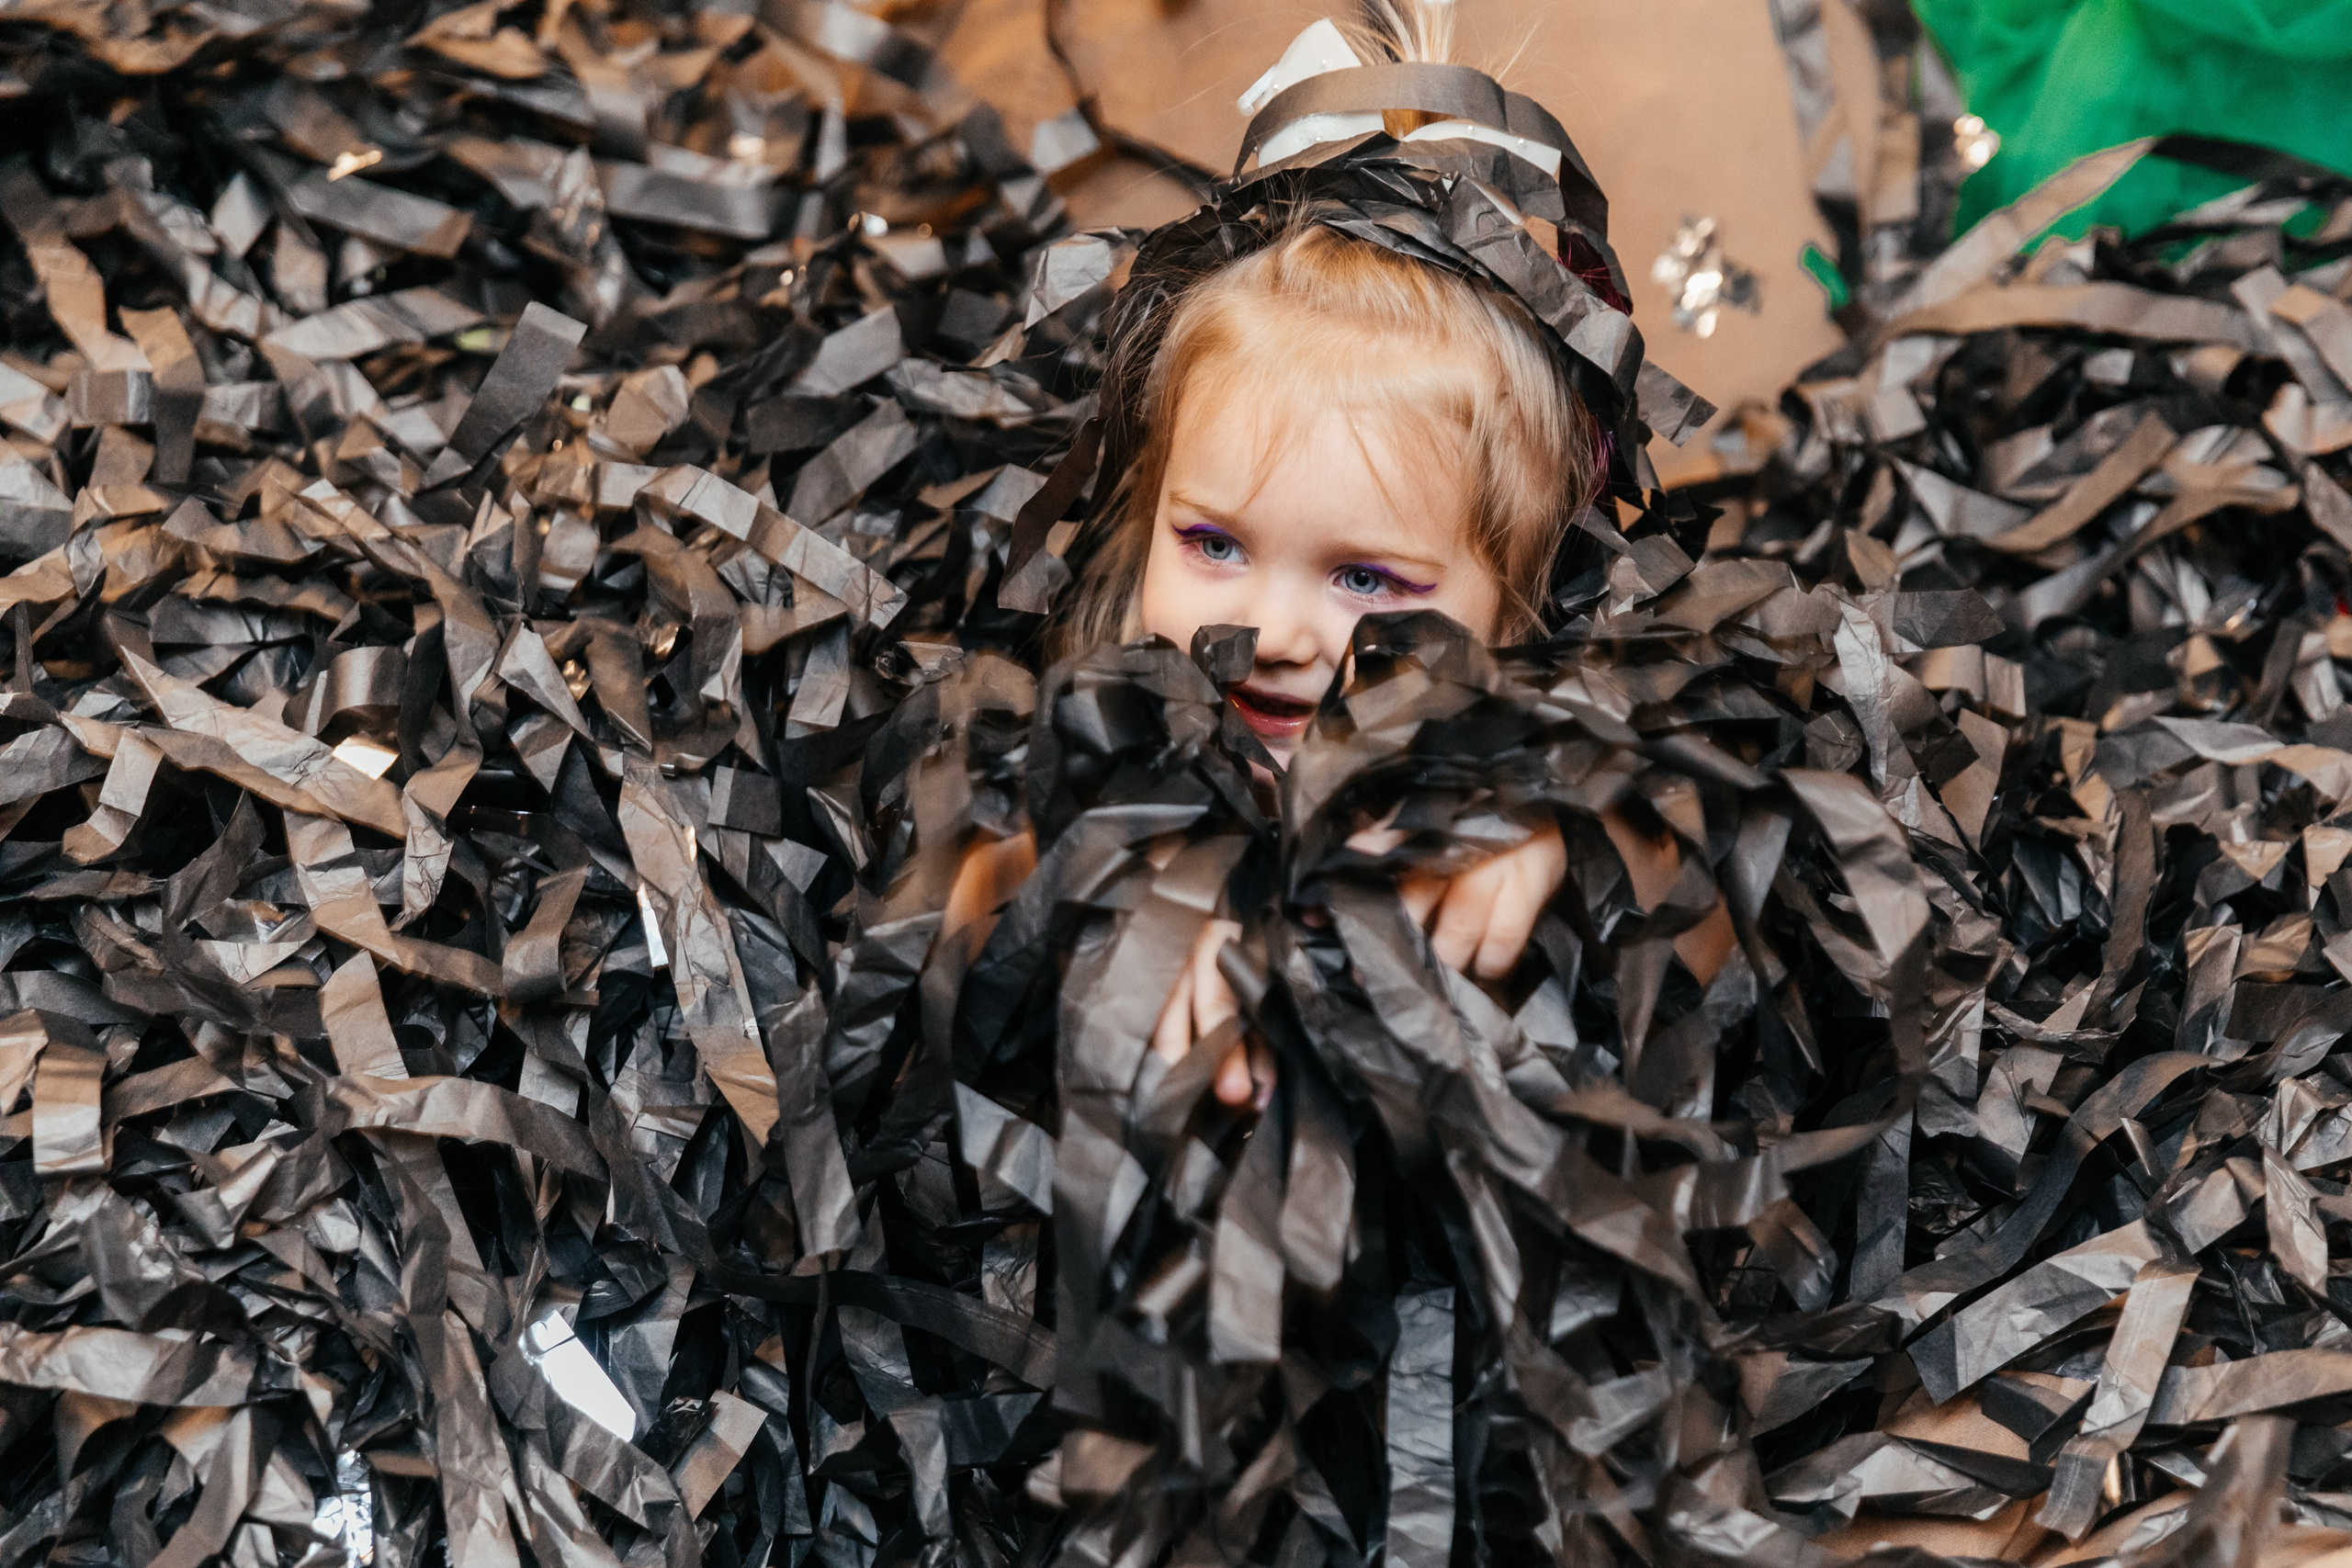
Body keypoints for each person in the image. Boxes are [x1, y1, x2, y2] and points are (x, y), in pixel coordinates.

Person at [948, 1, 1736, 1109]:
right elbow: (958, 910)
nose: (1267, 636)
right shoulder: (1083, 744)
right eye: (1213, 543)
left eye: (1365, 578)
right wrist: (1118, 879)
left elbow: (1719, 956)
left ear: (1520, 608)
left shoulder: (1561, 777)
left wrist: (1582, 846)